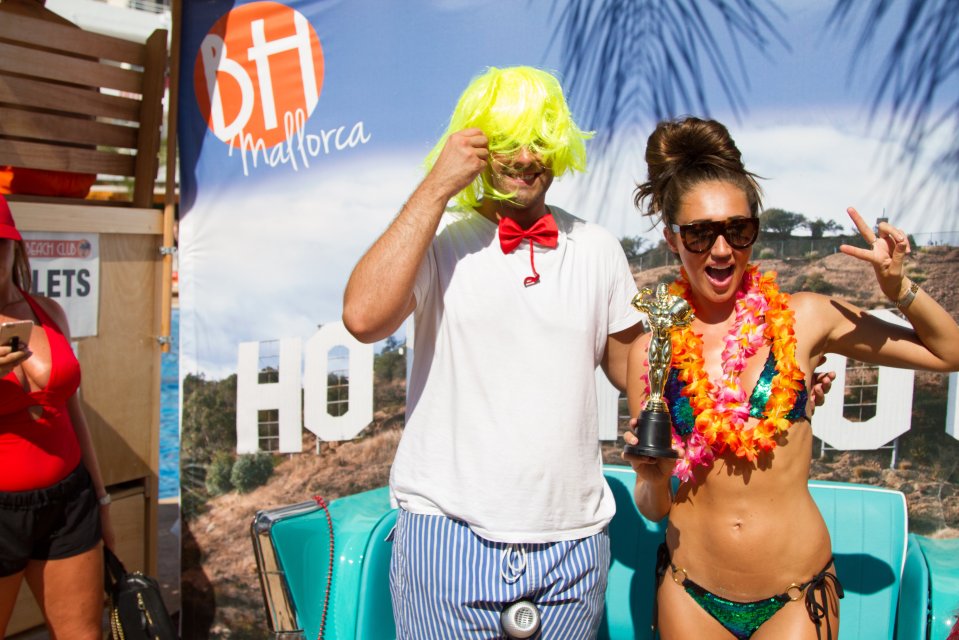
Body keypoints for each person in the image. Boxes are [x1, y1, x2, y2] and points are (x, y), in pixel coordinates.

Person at [622, 116, 959, 640]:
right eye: (699, 233)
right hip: (689, 594)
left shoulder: (805, 317)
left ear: (755, 229)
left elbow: (949, 353)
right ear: (671, 239)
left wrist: (898, 288)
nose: (720, 249)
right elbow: (654, 508)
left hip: (797, 597)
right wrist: (651, 477)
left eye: (738, 229)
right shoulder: (652, 349)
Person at [342, 66, 645, 638]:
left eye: (539, 139)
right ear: (475, 144)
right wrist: (436, 186)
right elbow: (362, 318)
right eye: (507, 140)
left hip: (571, 548)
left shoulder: (599, 247)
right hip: (448, 539)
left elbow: (634, 368)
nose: (526, 157)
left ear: (560, 147)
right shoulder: (436, 239)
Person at [0, 194, 114, 638]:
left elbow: (72, 409)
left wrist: (102, 500)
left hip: (68, 504)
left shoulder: (49, 311)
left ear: (17, 247)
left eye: (1, 243)